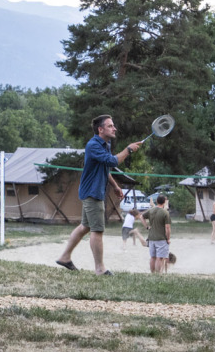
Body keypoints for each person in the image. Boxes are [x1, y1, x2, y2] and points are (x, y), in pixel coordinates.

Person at [56, 115, 142, 275]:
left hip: (91, 191)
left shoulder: (105, 145)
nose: (114, 128)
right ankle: (100, 269)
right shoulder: (93, 145)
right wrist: (128, 149)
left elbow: (105, 167)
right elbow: (113, 162)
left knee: (85, 227)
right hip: (92, 193)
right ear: (100, 129)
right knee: (97, 230)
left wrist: (115, 186)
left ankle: (64, 257)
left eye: (113, 125)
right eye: (110, 126)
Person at [142, 195, 171, 274]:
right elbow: (167, 227)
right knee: (159, 258)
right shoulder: (165, 213)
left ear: (157, 201)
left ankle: (152, 273)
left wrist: (146, 227)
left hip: (151, 238)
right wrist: (168, 238)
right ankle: (158, 274)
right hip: (161, 238)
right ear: (164, 202)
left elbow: (142, 217)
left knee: (152, 257)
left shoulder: (151, 210)